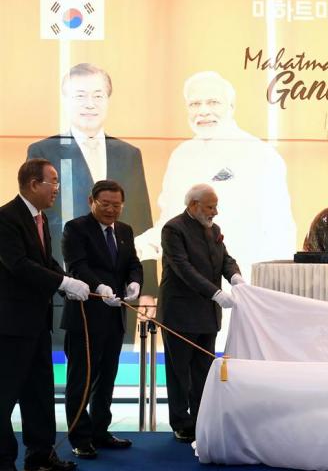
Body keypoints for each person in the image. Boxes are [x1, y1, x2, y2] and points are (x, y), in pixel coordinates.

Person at [27, 63, 157, 338]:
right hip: (64, 287)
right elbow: (36, 222)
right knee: (70, 368)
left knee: (114, 368)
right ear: (65, 100)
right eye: (80, 95)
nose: (90, 104)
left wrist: (147, 289)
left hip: (120, 293)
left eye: (98, 95)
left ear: (108, 100)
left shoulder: (129, 153)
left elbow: (142, 222)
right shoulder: (43, 150)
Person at [135, 71, 296, 280]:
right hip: (187, 283)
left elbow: (280, 230)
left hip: (242, 280)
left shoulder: (260, 155)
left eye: (213, 102)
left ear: (231, 107)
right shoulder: (180, 156)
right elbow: (170, 222)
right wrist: (131, 247)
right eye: (194, 104)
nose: (203, 111)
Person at [0, 159, 89, 471]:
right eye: (53, 181)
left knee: (39, 392)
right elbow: (19, 264)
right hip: (10, 326)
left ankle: (40, 455)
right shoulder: (6, 218)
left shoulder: (39, 218)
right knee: (5, 394)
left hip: (37, 324)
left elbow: (44, 262)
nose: (57, 188)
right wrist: (63, 282)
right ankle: (3, 459)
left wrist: (78, 285)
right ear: (33, 184)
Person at [60, 180, 143, 460]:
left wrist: (134, 283)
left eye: (116, 205)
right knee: (81, 379)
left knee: (107, 377)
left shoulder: (125, 230)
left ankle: (100, 431)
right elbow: (77, 265)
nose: (111, 210)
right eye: (105, 204)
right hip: (85, 316)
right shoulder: (76, 228)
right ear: (91, 201)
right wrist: (100, 287)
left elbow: (133, 262)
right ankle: (80, 437)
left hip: (114, 316)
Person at [158, 184, 243, 443]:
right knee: (179, 371)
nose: (214, 212)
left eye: (215, 206)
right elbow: (183, 268)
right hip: (180, 314)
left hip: (207, 316)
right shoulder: (173, 229)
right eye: (210, 206)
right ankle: (181, 423)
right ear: (193, 205)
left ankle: (201, 418)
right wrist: (214, 293)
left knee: (203, 372)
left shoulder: (213, 230)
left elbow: (225, 259)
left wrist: (235, 276)